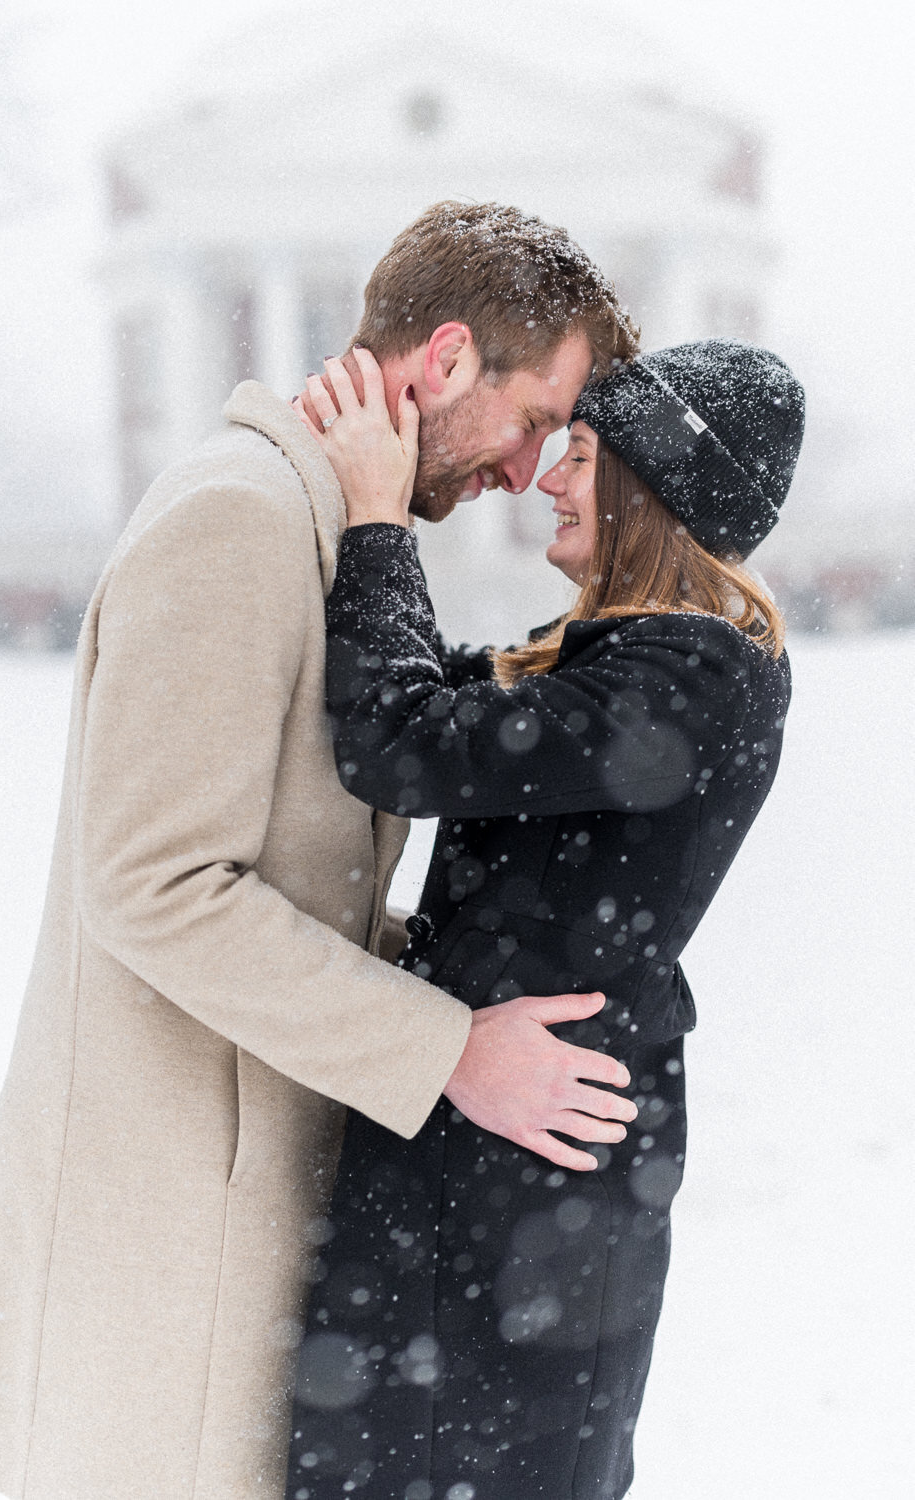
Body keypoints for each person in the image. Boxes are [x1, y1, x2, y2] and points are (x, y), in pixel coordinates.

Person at [0, 202, 640, 1500]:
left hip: (242, 1230)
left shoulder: (324, 526)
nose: (532, 469)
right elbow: (150, 883)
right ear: (446, 358)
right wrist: (446, 1052)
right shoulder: (240, 517)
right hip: (169, 1260)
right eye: (534, 418)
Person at [285, 339, 805, 1499]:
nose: (549, 480)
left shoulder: (694, 670)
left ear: (648, 490)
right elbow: (414, 690)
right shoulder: (614, 660)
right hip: (495, 1155)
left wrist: (380, 521)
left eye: (578, 455)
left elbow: (403, 742)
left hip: (526, 1182)